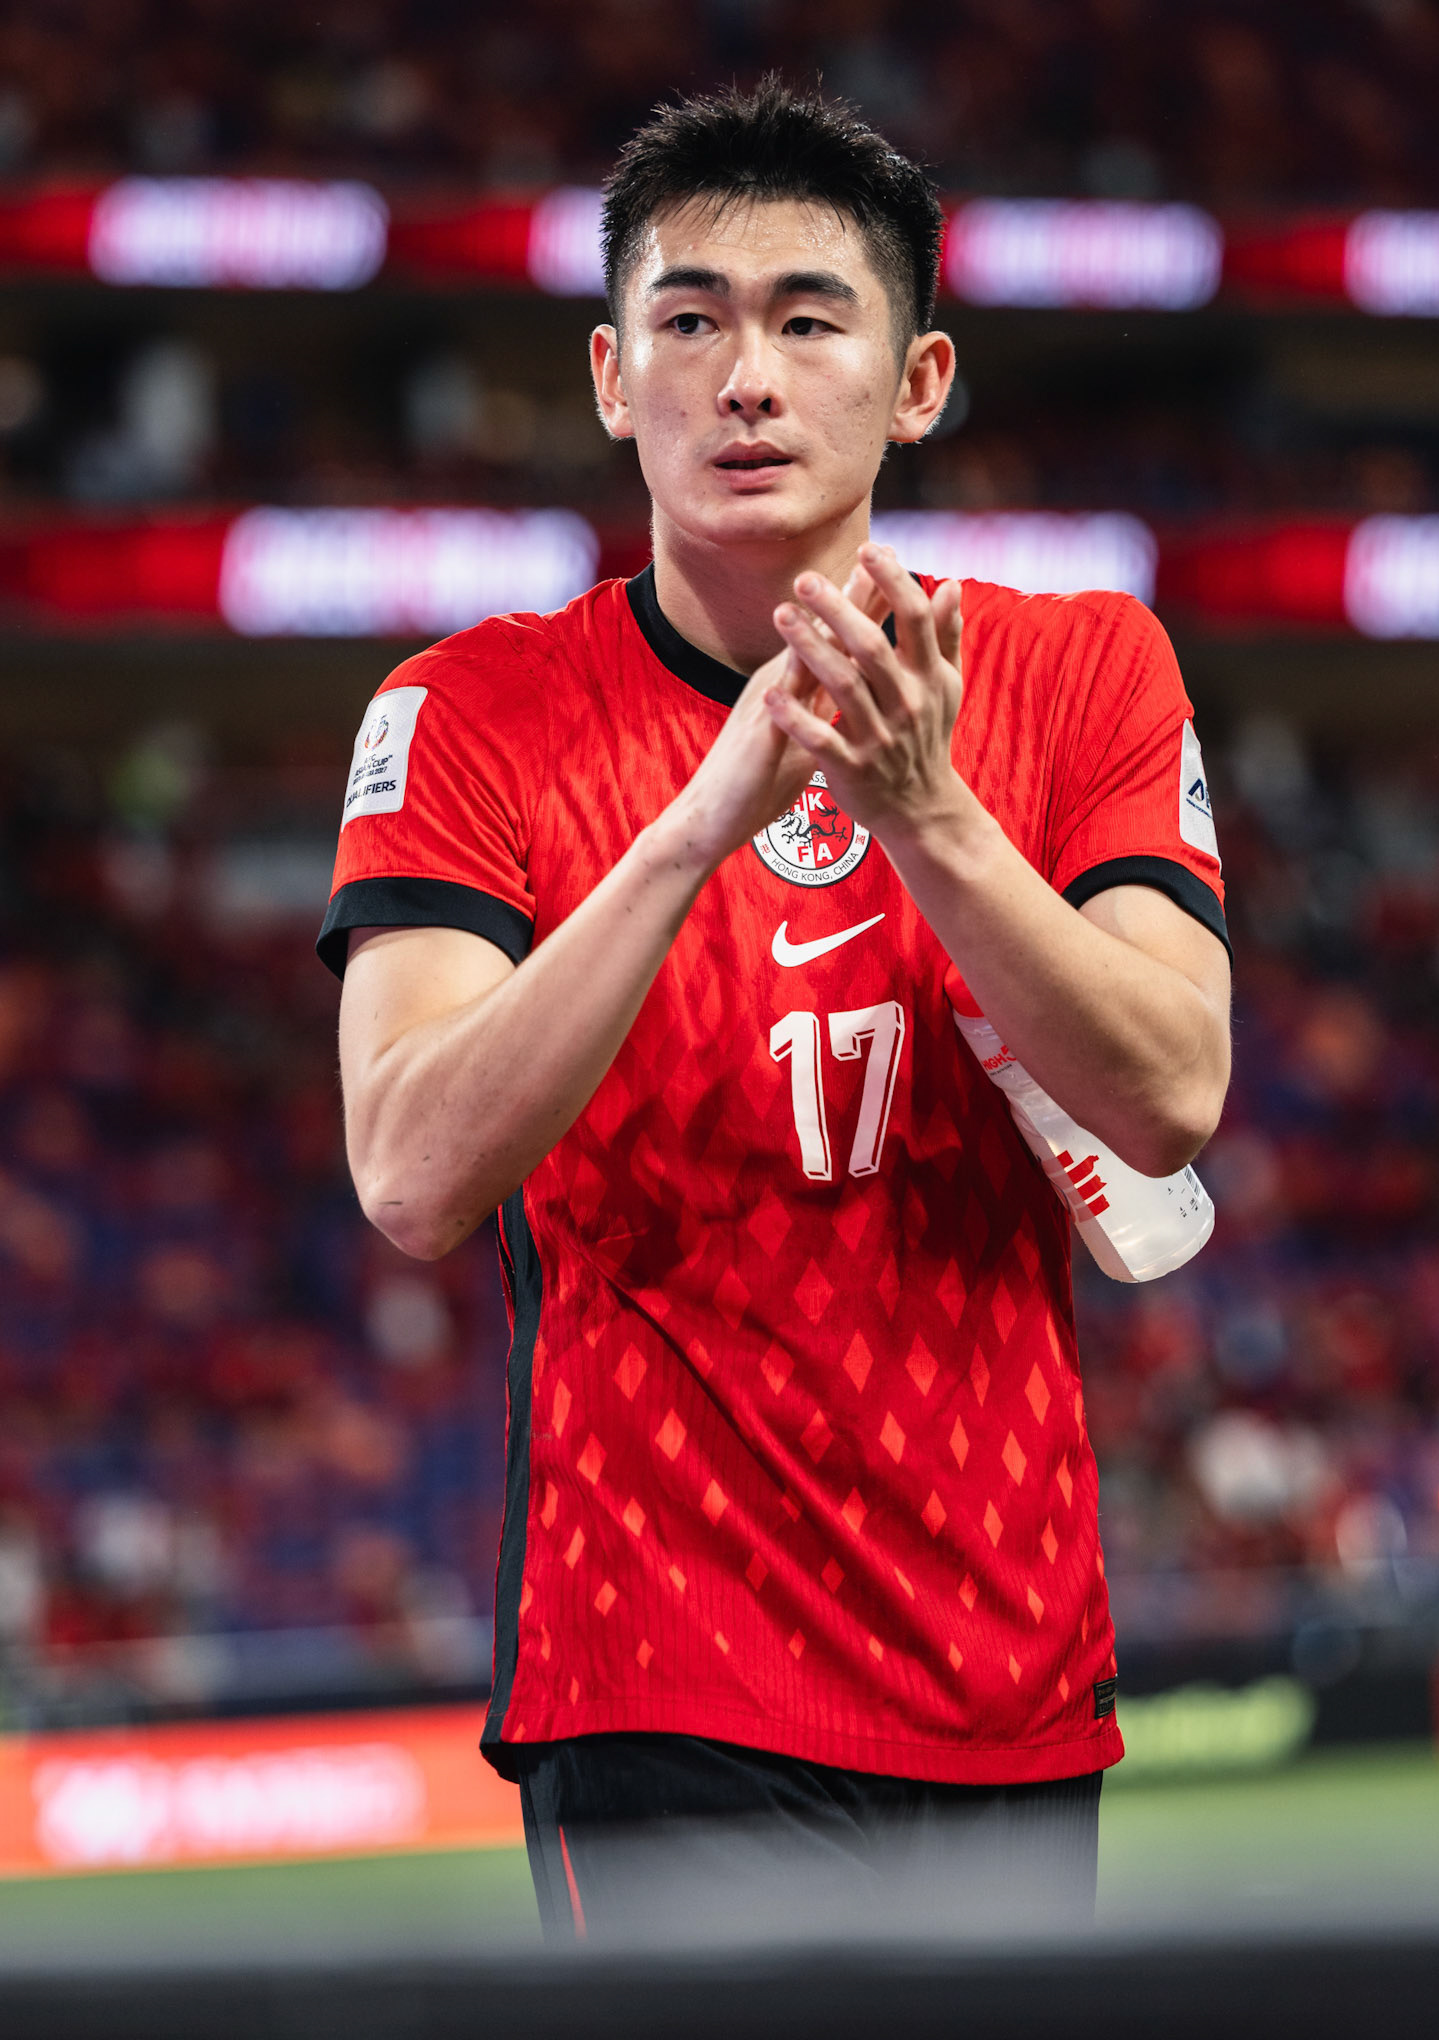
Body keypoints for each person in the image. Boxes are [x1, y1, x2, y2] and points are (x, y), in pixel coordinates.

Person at [319, 77, 1231, 1938]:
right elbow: (411, 1173)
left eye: (809, 319)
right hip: (653, 1664)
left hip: (1006, 1672)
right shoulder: (467, 713)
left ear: (915, 382)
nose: (746, 378)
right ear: (606, 373)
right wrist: (691, 829)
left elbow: (1172, 1096)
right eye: (690, 320)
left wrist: (927, 810)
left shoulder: (1083, 668)